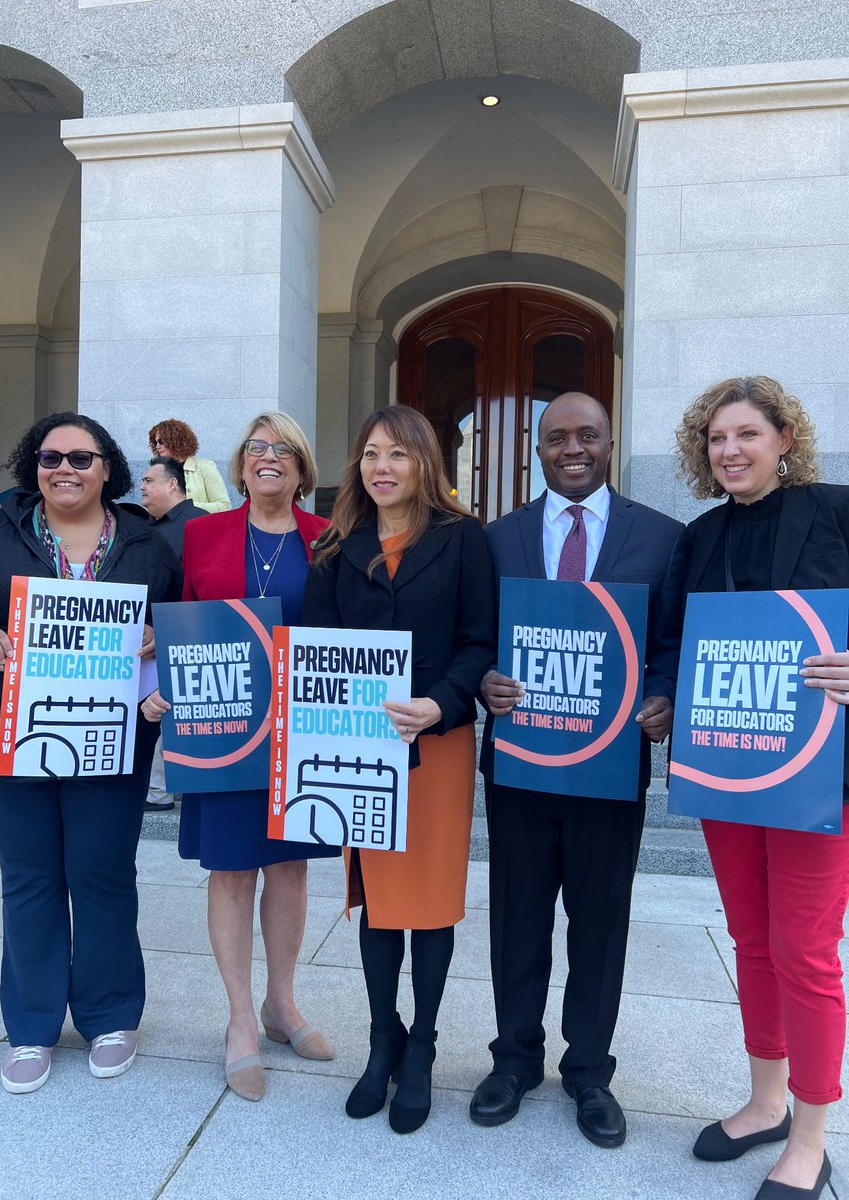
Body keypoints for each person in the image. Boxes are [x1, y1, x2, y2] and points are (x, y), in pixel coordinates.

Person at [469, 391, 682, 1147]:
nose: (572, 448)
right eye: (556, 436)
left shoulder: (662, 537)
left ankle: (590, 1070)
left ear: (609, 440)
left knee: (600, 920)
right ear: (537, 446)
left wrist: (662, 696)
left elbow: (670, 644)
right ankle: (515, 1060)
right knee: (516, 915)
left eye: (586, 435)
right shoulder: (494, 539)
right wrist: (484, 678)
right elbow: (474, 637)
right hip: (521, 765)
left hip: (610, 768)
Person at [0, 411, 182, 1093]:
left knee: (103, 876)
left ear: (108, 468)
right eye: (51, 459)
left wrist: (157, 640)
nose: (65, 471)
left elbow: (179, 626)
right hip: (8, 739)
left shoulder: (147, 544)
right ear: (34, 467)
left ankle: (111, 1015)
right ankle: (31, 1025)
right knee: (29, 880)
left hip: (112, 742)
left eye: (82, 459)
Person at [667, 376, 849, 1200]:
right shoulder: (698, 539)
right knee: (752, 941)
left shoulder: (839, 512)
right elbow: (677, 642)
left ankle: (812, 1134)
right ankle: (766, 1102)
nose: (730, 451)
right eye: (716, 439)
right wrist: (664, 700)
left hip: (817, 775)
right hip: (727, 767)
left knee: (806, 951)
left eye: (747, 434)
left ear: (784, 438)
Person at [304, 405, 495, 1134]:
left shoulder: (462, 539)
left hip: (437, 744)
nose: (382, 467)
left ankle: (424, 1045)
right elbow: (315, 649)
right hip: (359, 746)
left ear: (425, 464)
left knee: (430, 899)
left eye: (399, 454)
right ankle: (383, 1042)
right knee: (377, 897)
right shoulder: (336, 545)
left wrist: (441, 702)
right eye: (370, 454)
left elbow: (480, 641)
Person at [142, 411, 339, 1102]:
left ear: (302, 467)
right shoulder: (201, 535)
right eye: (257, 446)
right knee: (230, 871)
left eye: (284, 448)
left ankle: (281, 1007)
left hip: (301, 731)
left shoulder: (329, 539)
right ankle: (237, 1022)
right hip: (221, 728)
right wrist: (162, 685)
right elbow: (176, 621)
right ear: (240, 461)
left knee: (289, 867)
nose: (269, 457)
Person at [140, 455, 204, 811]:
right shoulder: (149, 528)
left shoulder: (200, 525)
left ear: (173, 484)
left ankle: (159, 789)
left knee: (169, 710)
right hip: (148, 637)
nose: (143, 488)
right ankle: (160, 787)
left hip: (184, 635)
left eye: (150, 481)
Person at [147, 418, 230, 514]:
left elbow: (224, 506)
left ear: (175, 440)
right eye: (155, 442)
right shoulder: (158, 470)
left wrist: (184, 506)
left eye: (161, 441)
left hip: (199, 527)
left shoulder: (204, 466)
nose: (157, 446)